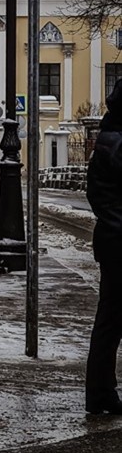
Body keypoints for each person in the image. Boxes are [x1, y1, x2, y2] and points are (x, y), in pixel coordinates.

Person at [85, 78, 122, 415]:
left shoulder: (108, 138)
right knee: (111, 320)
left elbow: (98, 196)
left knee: (110, 320)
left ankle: (100, 393)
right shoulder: (116, 143)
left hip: (112, 243)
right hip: (119, 243)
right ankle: (100, 393)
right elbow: (105, 198)